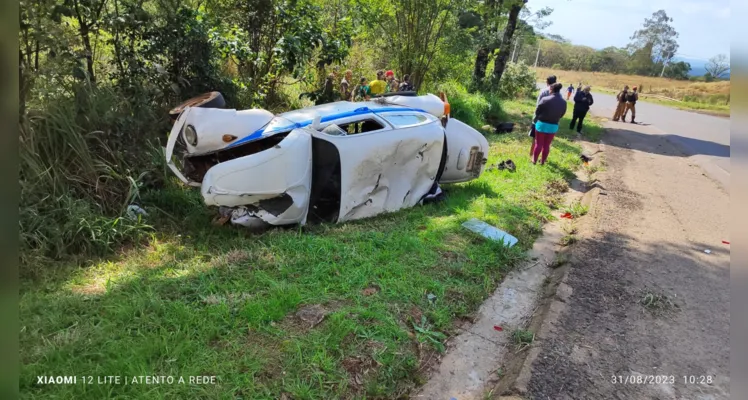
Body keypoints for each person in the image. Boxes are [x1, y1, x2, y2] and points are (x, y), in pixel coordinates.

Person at [533, 83, 568, 165]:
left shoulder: (545, 99)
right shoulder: (563, 102)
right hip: (553, 126)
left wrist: (538, 118)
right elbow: (562, 114)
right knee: (546, 145)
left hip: (541, 124)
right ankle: (542, 161)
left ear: (551, 89)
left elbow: (537, 111)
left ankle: (534, 160)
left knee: (538, 143)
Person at [530, 75, 557, 156]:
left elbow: (538, 105)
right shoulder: (558, 94)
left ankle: (532, 155)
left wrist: (534, 119)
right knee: (546, 141)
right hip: (551, 120)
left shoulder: (543, 91)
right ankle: (543, 158)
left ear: (547, 82)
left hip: (540, 118)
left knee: (536, 139)